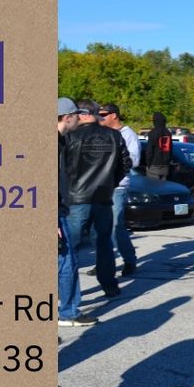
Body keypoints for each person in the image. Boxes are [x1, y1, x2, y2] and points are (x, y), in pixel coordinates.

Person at [58, 98, 131, 328]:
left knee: (69, 251)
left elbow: (62, 168)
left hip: (76, 198)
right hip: (102, 196)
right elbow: (125, 165)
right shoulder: (114, 136)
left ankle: (64, 297)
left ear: (82, 114)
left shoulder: (70, 136)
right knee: (104, 244)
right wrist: (109, 184)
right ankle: (109, 285)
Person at [96, 103, 142, 277]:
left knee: (116, 226)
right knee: (98, 228)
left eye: (103, 115)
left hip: (117, 186)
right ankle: (103, 263)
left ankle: (129, 260)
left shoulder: (128, 135)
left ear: (114, 115)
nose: (100, 118)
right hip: (100, 186)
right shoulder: (101, 133)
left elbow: (134, 160)